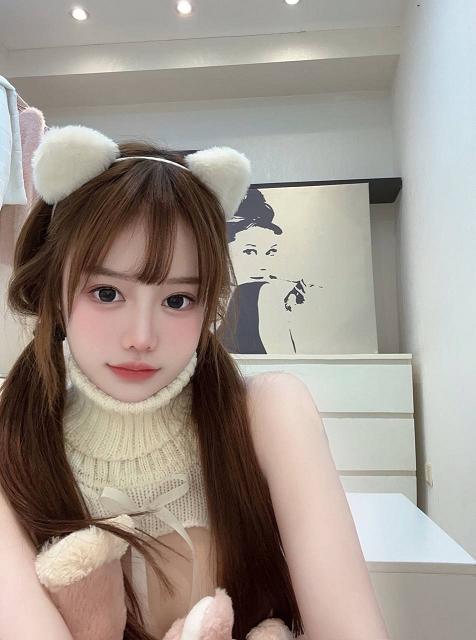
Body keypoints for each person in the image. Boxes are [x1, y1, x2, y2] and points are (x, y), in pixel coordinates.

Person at [0, 125, 390, 640]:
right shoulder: (14, 440)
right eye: (106, 293)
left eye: (177, 300)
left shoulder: (266, 413)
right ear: (54, 290)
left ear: (209, 306)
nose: (141, 337)